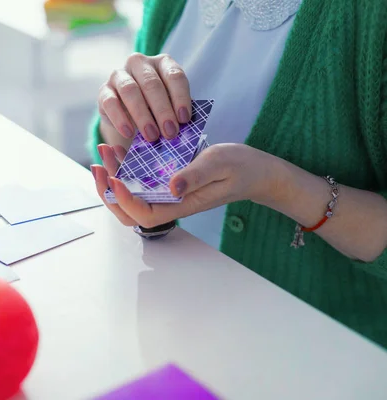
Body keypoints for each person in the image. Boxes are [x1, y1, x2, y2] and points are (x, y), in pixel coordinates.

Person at [88, 0, 387, 347]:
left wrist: (275, 184)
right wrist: (121, 123)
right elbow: (130, 148)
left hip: (322, 357)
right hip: (170, 322)